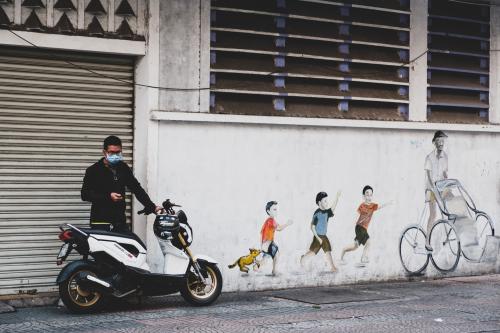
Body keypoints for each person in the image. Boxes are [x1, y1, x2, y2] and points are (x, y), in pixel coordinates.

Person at [81, 135, 162, 233]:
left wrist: (152, 207)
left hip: (120, 222)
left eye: (118, 152)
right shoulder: (93, 170)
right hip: (100, 223)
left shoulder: (123, 168)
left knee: (129, 248)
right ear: (104, 152)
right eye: (111, 152)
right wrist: (108, 196)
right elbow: (85, 195)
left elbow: (136, 188)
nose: (115, 155)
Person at [340, 185, 392, 266]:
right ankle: (363, 258)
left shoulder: (372, 206)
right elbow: (356, 215)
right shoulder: (362, 206)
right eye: (367, 194)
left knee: (355, 246)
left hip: (363, 228)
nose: (369, 196)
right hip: (359, 227)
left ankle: (343, 252)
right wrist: (350, 225)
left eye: (371, 195)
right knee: (368, 242)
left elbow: (380, 206)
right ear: (363, 196)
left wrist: (388, 203)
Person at [300, 191, 341, 272]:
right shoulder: (317, 213)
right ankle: (303, 258)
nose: (327, 203)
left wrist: (337, 197)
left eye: (327, 201)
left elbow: (332, 208)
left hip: (324, 236)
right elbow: (312, 227)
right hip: (317, 236)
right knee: (313, 252)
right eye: (325, 201)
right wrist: (317, 237)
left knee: (328, 251)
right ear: (319, 202)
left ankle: (332, 267)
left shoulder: (326, 212)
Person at [424, 130, 448, 251]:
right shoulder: (429, 157)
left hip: (440, 188)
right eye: (438, 140)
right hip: (431, 190)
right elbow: (428, 175)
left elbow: (444, 173)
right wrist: (433, 187)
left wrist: (447, 182)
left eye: (442, 140)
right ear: (434, 142)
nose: (441, 143)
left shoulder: (445, 157)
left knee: (449, 209)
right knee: (433, 214)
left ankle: (449, 235)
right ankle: (427, 241)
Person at [258, 201, 293, 276]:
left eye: (276, 209)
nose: (276, 211)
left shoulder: (268, 221)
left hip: (266, 244)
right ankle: (274, 271)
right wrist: (287, 224)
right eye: (274, 209)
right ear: (268, 211)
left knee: (265, 261)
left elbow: (261, 233)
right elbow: (279, 228)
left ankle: (255, 267)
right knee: (276, 255)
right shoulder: (271, 220)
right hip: (268, 243)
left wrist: (262, 245)